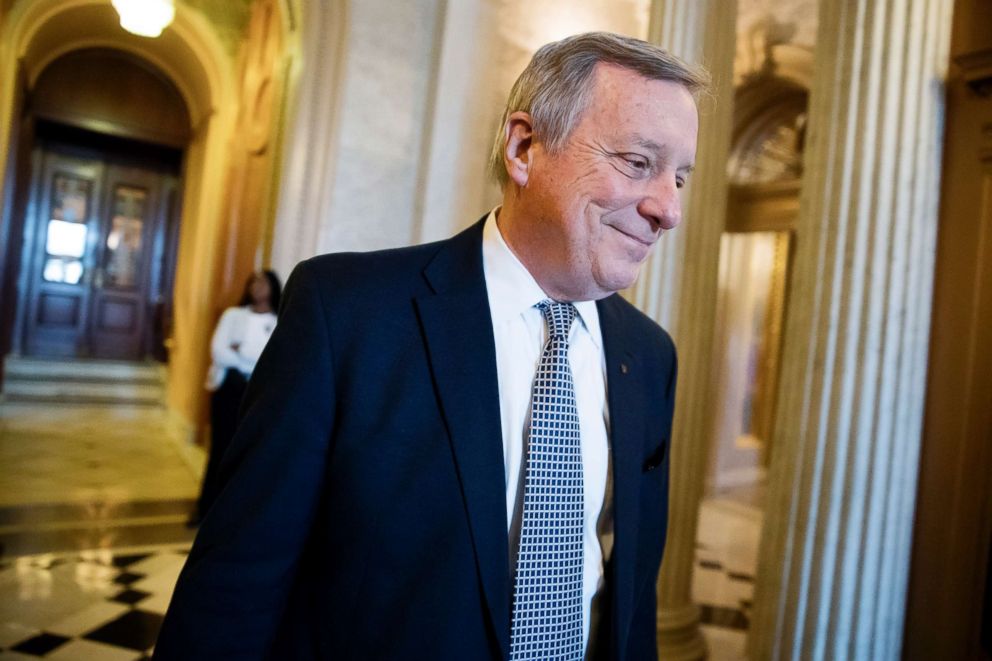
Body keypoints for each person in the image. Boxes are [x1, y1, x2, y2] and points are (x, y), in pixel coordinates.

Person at [155, 32, 706, 661]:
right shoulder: (346, 314)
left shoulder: (650, 354)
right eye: (638, 162)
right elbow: (236, 587)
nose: (669, 210)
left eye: (681, 177)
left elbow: (628, 598)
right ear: (524, 146)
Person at [191, 270, 281, 525]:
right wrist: (249, 360)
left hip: (261, 392)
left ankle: (238, 513)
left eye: (263, 282)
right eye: (253, 282)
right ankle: (206, 508)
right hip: (229, 388)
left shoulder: (279, 321)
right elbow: (219, 351)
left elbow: (273, 358)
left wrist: (241, 351)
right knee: (221, 448)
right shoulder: (234, 315)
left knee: (252, 452)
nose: (257, 287)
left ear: (274, 287)